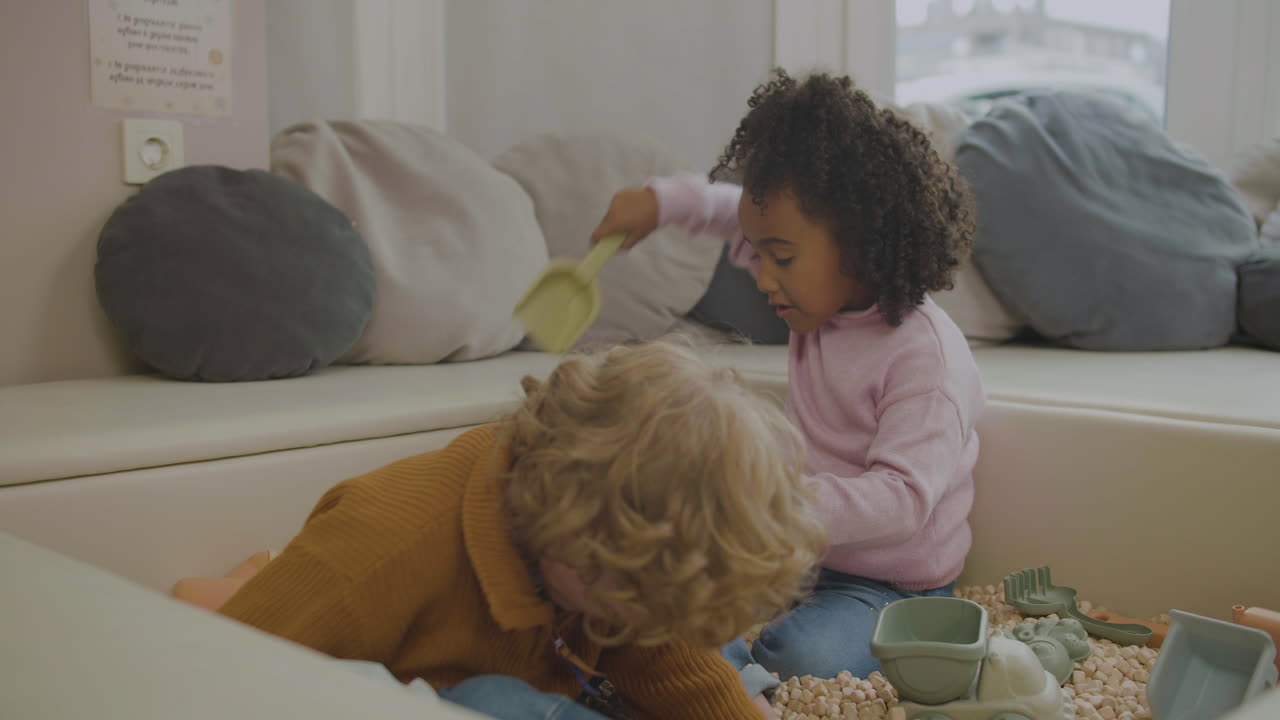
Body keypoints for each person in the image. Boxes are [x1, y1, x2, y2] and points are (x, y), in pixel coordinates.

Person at [589, 69, 985, 683]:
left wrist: (773, 499)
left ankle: (741, 684)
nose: (763, 276)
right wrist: (663, 202)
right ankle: (702, 668)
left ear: (861, 244)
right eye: (760, 253)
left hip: (893, 588)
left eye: (781, 258)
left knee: (802, 657)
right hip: (800, 555)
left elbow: (903, 501)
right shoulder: (817, 294)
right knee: (670, 591)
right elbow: (732, 212)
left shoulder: (924, 357)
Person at [207, 338, 825, 720]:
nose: (648, 626)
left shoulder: (600, 550)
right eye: (638, 607)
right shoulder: (381, 546)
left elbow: (662, 654)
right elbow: (211, 672)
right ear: (581, 545)